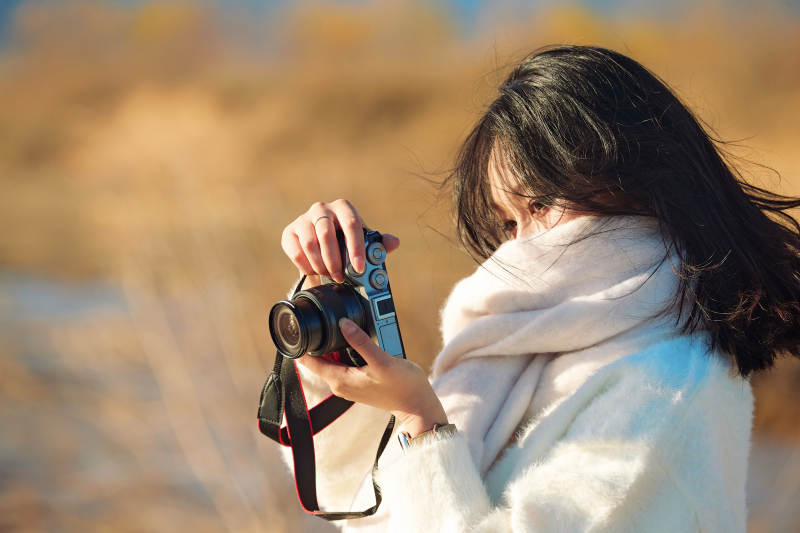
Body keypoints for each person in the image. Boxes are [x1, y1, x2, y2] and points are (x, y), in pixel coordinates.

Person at [275, 46, 800, 532]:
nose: (521, 247)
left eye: (541, 204)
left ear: (637, 179)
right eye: (508, 224)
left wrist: (423, 423)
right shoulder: (525, 354)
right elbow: (365, 501)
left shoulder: (666, 386)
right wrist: (339, 326)